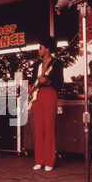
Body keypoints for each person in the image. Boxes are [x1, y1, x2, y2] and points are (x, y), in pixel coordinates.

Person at [28, 36, 64, 172]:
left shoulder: (57, 63)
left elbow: (60, 82)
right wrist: (29, 88)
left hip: (49, 94)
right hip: (37, 96)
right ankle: (39, 160)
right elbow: (32, 81)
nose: (39, 50)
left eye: (41, 47)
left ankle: (49, 160)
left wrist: (48, 82)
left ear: (48, 49)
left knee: (49, 128)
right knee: (39, 128)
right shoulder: (37, 65)